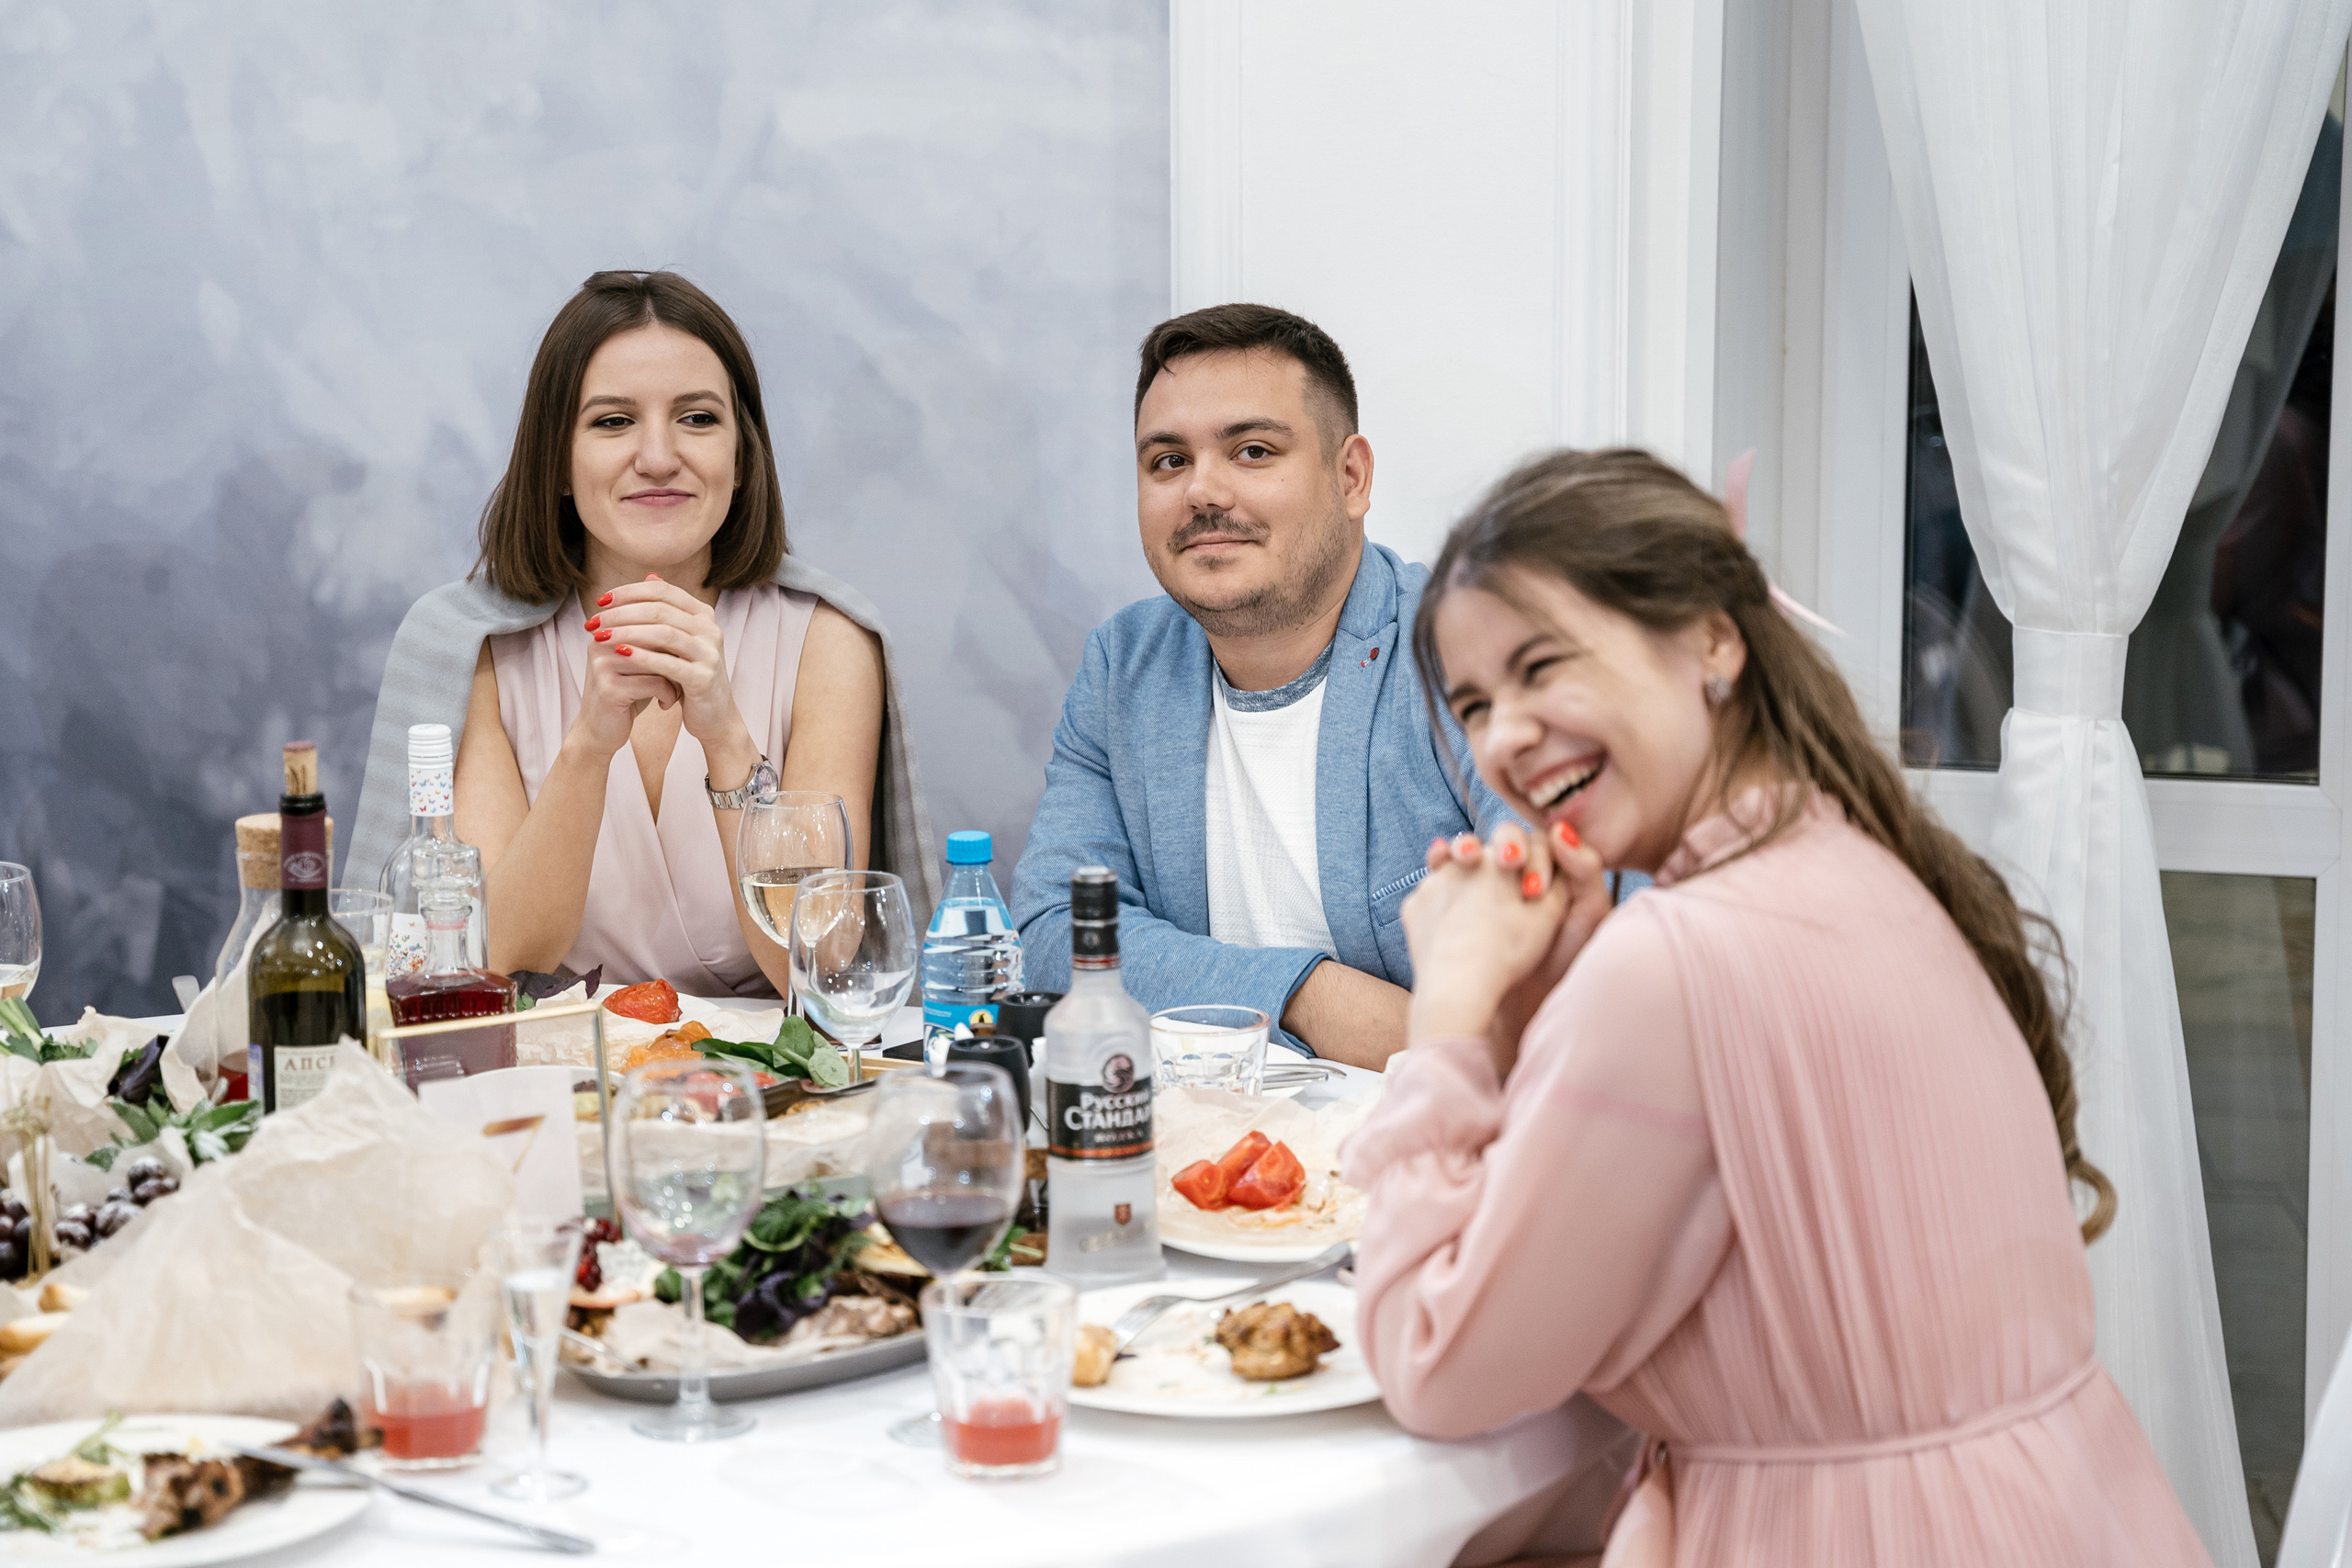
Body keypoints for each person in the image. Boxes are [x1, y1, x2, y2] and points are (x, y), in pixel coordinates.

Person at [1343, 448, 2208, 1565]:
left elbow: (1438, 1365)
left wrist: (1449, 1013)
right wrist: (1543, 1001)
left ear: (1712, 637)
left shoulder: (1673, 958)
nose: (1503, 734)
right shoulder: (1858, 866)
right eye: (1472, 702)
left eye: (1541, 666)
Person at [351, 270, 937, 997]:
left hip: (775, 1088)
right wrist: (590, 745)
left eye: (697, 419)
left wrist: (725, 734)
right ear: (558, 463)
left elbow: (823, 964)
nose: (659, 456)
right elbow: (492, 952)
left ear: (743, 457)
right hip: (561, 1074)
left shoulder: (830, 641)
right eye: (612, 421)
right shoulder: (472, 650)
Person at [1010, 304, 1506, 1067]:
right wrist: (1310, 994)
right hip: (1204, 1152)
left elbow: (1572, 957)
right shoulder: (1124, 667)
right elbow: (1052, 936)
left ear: (1351, 477)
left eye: (1251, 450)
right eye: (1168, 462)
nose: (1203, 491)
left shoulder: (1469, 648)